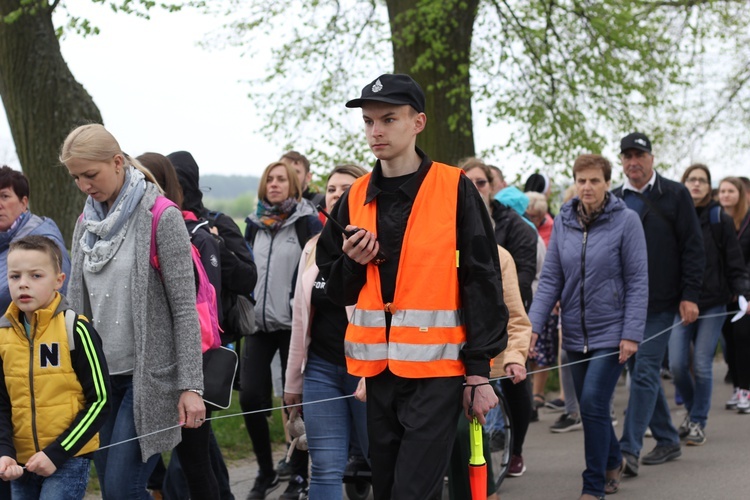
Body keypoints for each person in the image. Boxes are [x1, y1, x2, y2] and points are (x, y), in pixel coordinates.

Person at [316, 73, 508, 499]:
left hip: (438, 373)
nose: (376, 131)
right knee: (387, 492)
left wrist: (479, 372)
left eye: (388, 119)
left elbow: (482, 280)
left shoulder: (453, 186)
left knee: (412, 492)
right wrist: (351, 262)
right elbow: (331, 289)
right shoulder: (355, 196)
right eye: (368, 122)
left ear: (418, 122)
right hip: (378, 376)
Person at [61, 124, 205, 500]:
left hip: (147, 380)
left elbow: (184, 310)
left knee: (123, 489)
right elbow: (75, 303)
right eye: (76, 177)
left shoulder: (161, 216)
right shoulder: (85, 223)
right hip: (99, 382)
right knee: (114, 491)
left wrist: (191, 386)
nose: (84, 185)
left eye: (90, 174)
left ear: (118, 162)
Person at [529, 154, 648, 500]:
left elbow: (638, 281)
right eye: (581, 180)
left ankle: (593, 484)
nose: (587, 187)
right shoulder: (565, 220)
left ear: (608, 183)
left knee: (594, 401)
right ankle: (613, 460)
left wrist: (631, 333)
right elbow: (551, 278)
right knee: (589, 405)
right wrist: (533, 326)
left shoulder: (627, 221)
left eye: (595, 180)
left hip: (612, 330)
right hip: (575, 333)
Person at [612, 132, 705, 476]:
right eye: (627, 156)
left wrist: (690, 295)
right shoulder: (616, 199)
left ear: (651, 158)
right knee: (640, 371)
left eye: (639, 155)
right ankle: (667, 438)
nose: (633, 162)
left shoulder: (676, 194)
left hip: (663, 302)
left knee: (645, 371)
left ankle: (628, 450)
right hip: (626, 304)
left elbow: (693, 248)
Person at [137, 152, 223, 500]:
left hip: (186, 363)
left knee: (196, 464)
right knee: (192, 463)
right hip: (154, 366)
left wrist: (191, 379)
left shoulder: (176, 231)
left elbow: (191, 308)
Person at [0, 235, 110, 499]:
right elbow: (2, 403)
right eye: (15, 276)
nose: (23, 284)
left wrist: (57, 453)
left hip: (67, 459)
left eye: (36, 276)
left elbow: (101, 401)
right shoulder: (3, 335)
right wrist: (4, 452)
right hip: (21, 463)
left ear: (59, 281)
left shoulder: (75, 328)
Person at [283, 163, 370, 499]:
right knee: (324, 467)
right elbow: (301, 321)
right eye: (331, 189)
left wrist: (377, 370)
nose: (336, 194)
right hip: (321, 369)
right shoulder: (312, 247)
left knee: (383, 461)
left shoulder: (377, 246)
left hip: (367, 368)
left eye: (345, 188)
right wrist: (293, 383)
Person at [242, 160, 321, 499]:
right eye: (269, 179)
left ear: (294, 184)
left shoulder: (306, 222)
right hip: (258, 326)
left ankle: (300, 476)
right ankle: (265, 469)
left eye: (281, 179)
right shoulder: (254, 225)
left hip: (293, 326)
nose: (274, 184)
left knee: (295, 403)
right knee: (250, 398)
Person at [460, 160, 534, 476]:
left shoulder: (505, 247)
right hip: (445, 360)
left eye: (481, 182)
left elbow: (517, 315)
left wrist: (516, 356)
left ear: (492, 187)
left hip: (493, 354)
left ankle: (511, 451)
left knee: (488, 429)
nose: (474, 189)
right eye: (467, 182)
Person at [669, 165, 750, 445]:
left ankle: (698, 421)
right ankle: (693, 412)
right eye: (692, 179)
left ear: (708, 186)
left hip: (714, 301)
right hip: (680, 302)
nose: (696, 185)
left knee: (702, 364)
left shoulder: (718, 217)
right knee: (678, 364)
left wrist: (743, 293)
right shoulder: (674, 215)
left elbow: (734, 261)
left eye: (702, 181)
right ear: (684, 183)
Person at [447, 244, 531, 500]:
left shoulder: (499, 256)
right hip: (426, 365)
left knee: (465, 436)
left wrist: (515, 357)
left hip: (475, 367)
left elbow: (515, 317)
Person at [0, 166, 71, 313]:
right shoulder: (4, 238)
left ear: (24, 202)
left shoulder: (44, 242)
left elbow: (58, 302)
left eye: (4, 196)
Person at [717, 177, 750, 412]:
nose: (726, 195)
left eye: (731, 191)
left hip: (746, 294)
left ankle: (746, 390)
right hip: (724, 294)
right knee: (729, 342)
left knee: (743, 339)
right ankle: (738, 387)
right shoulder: (717, 221)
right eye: (722, 191)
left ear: (741, 194)